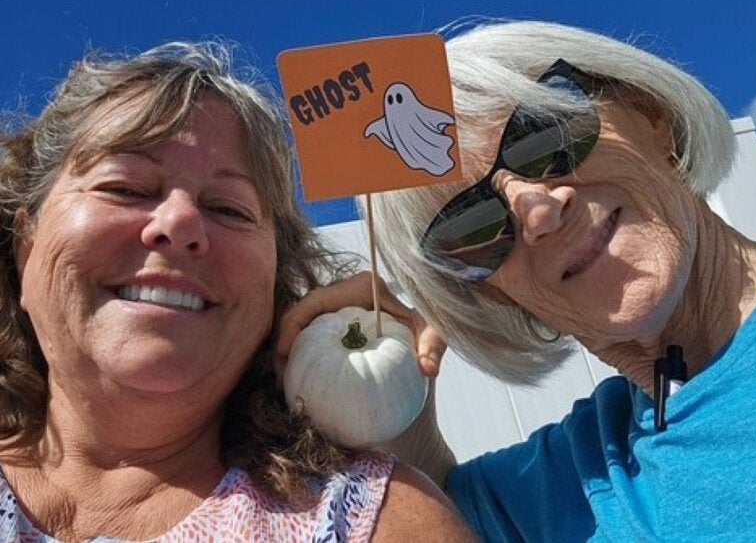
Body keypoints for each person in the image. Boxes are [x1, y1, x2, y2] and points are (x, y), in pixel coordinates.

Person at [277, 19, 756, 541]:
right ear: (492, 292)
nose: (537, 213)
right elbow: (429, 515)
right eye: (473, 225)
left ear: (652, 117)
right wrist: (383, 394)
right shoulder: (574, 478)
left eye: (547, 137)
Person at [0, 41, 475, 542]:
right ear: (25, 245)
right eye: (126, 188)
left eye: (230, 209)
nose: (181, 223)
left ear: (276, 286)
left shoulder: (383, 523)